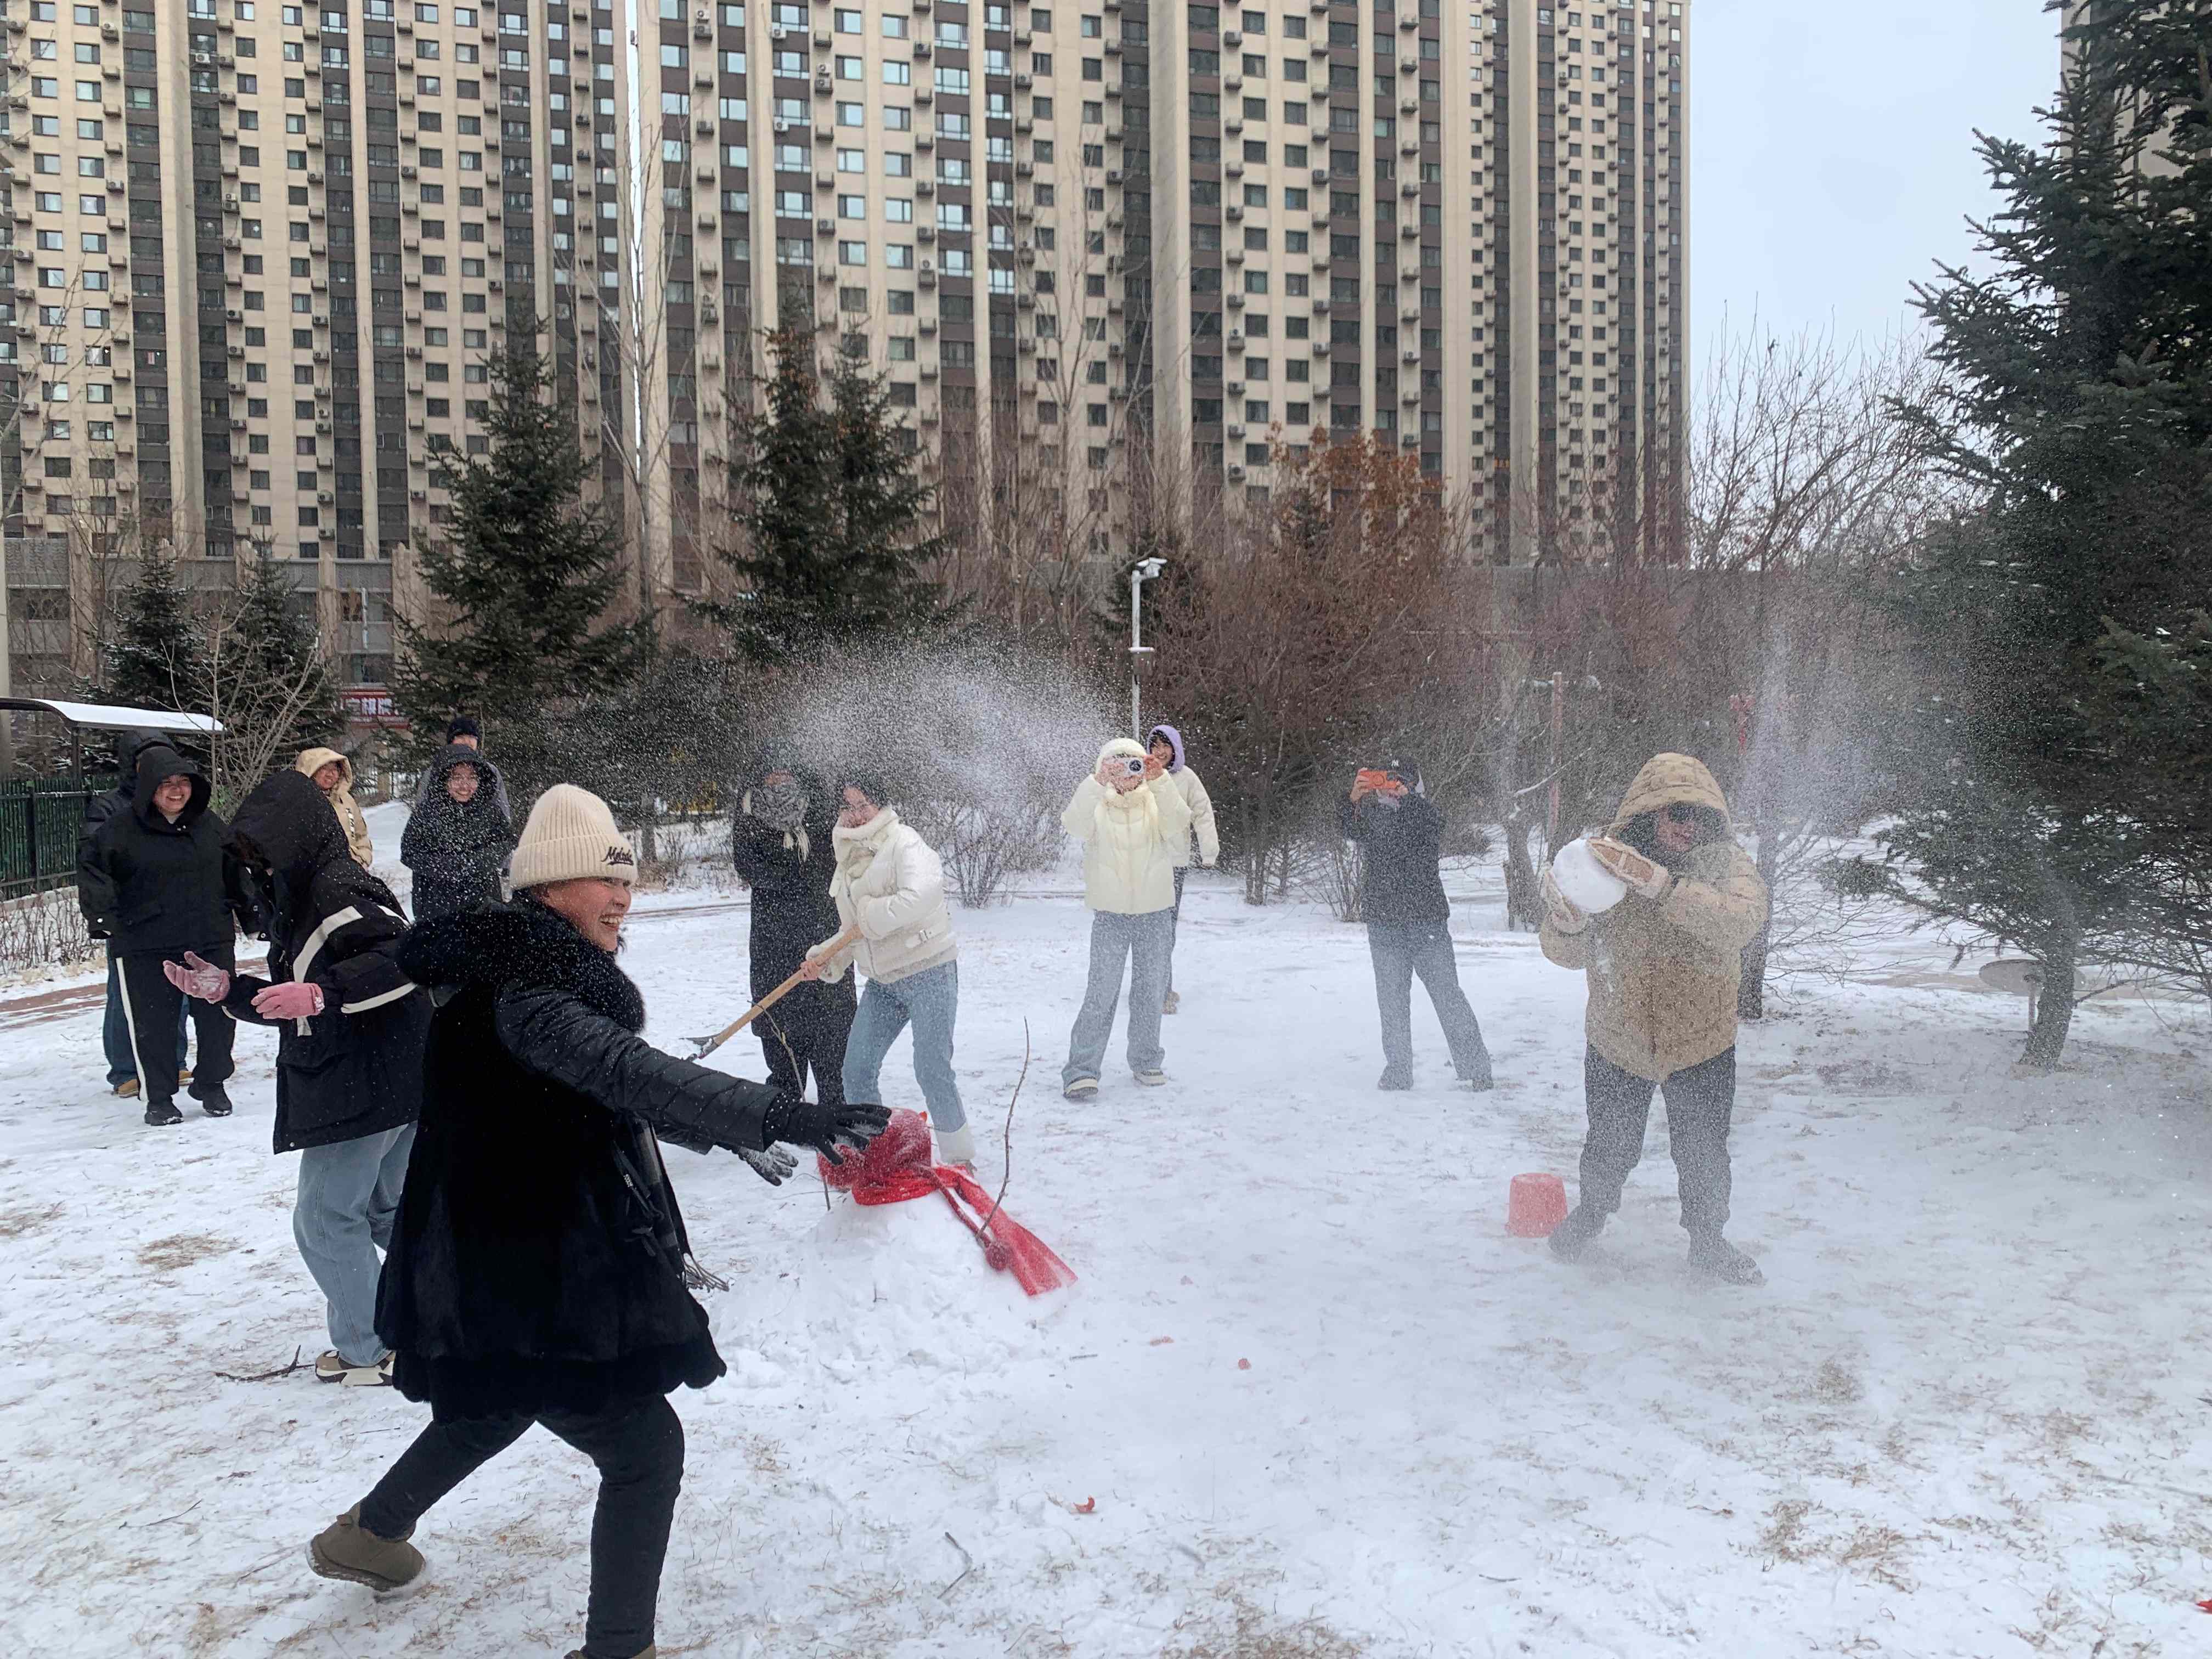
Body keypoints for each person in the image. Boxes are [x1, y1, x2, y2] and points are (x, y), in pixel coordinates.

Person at [310, 785, 888, 1659]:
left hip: (495, 1251)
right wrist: (781, 1114)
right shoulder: (529, 989)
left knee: (498, 1402)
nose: (623, 898)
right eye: (603, 881)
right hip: (528, 1261)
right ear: (548, 888)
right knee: (644, 1449)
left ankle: (369, 1535)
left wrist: (723, 1134)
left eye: (626, 882)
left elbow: (597, 1088)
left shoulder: (512, 968)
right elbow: (628, 1070)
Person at [165, 769, 429, 1386]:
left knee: (325, 1219)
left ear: (299, 836)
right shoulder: (306, 896)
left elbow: (405, 957)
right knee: (386, 1212)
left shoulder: (336, 888)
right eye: (250, 855)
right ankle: (457, 1306)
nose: (258, 867)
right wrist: (229, 991)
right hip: (389, 1077)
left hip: (366, 1082)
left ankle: (372, 1351)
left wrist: (322, 993)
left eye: (265, 851)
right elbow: (301, 1001)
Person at [1539, 753, 1769, 1286]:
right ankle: (1592, 1214)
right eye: (1677, 814)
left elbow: (1741, 922)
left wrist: (1662, 886)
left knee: (1703, 1151)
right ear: (1650, 813)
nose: (1690, 827)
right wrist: (1566, 923)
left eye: (1700, 816)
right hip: (1618, 1037)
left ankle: (1708, 1241)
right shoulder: (1606, 863)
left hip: (1701, 1042)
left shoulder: (1727, 865)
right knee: (1609, 1144)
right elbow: (1567, 954)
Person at [797, 775, 972, 1166]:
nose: (857, 815)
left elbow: (921, 895)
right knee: (856, 1069)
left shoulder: (904, 842)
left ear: (880, 805)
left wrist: (871, 915)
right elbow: (853, 930)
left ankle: (960, 1159)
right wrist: (827, 958)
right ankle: (876, 1153)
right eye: (848, 807)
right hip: (883, 983)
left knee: (931, 1068)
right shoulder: (847, 857)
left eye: (864, 805)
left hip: (929, 971)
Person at [75, 741, 244, 1126]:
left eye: (183, 782)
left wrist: (251, 912)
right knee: (153, 1026)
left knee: (219, 1017)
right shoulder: (119, 830)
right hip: (145, 941)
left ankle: (212, 1083)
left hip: (208, 936)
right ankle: (160, 1097)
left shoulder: (209, 826)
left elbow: (236, 870)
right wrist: (103, 918)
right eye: (166, 783)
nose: (176, 790)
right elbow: (94, 872)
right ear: (149, 787)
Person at [1340, 756, 1494, 1092]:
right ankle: (1398, 1072)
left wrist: (1408, 798)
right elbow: (1347, 828)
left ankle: (1477, 1069)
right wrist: (1353, 798)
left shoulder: (1425, 813)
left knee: (1448, 996)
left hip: (1427, 924)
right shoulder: (1373, 816)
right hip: (1384, 925)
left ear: (1414, 784)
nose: (1390, 787)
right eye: (1386, 779)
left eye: (1398, 780)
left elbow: (1430, 826)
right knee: (1391, 1002)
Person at [1058, 737, 1193, 1100]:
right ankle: (1082, 1071)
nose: (1127, 773)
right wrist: (1096, 782)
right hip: (1111, 916)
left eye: (1134, 765)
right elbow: (1073, 824)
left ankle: (1147, 1061)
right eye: (1118, 765)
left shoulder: (1156, 801)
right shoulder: (1097, 805)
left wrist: (1160, 781)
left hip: (1155, 913)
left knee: (1150, 992)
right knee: (1101, 994)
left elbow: (1179, 822)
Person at [730, 757, 855, 1116]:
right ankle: (787, 1113)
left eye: (787, 771)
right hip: (773, 938)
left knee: (832, 1025)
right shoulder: (749, 813)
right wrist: (791, 875)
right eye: (773, 773)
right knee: (780, 1024)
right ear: (762, 777)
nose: (780, 779)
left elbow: (836, 859)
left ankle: (837, 1111)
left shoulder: (821, 809)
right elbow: (749, 866)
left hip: (822, 927)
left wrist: (806, 876)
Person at [78, 727, 189, 1099]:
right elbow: (94, 863)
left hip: (176, 912)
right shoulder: (110, 808)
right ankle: (126, 1069)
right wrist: (103, 915)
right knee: (125, 993)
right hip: (130, 916)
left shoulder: (178, 804)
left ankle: (173, 1059)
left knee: (178, 989)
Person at [1146, 723, 1220, 1016]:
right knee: (1150, 930)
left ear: (1175, 749)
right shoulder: (1143, 775)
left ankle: (1161, 989)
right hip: (1144, 863)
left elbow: (1203, 812)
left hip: (1174, 865)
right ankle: (1155, 989)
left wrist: (1209, 850)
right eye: (1155, 746)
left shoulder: (1187, 778)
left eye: (1165, 746)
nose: (1159, 752)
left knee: (1166, 930)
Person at [400, 743, 514, 921]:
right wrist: (447, 866)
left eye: (472, 778)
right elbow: (410, 852)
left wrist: (478, 862)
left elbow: (505, 842)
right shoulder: (426, 813)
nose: (465, 786)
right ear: (444, 780)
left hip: (483, 902)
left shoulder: (489, 811)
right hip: (436, 904)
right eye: (457, 778)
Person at [409, 715, 512, 820]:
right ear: (451, 742)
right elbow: (421, 812)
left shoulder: (489, 771)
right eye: (461, 737)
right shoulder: (436, 771)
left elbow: (502, 810)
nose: (467, 742)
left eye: (472, 737)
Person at [295, 745, 376, 869]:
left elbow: (361, 835)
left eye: (335, 769)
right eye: (324, 768)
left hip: (351, 871)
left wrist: (362, 860)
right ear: (311, 771)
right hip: (316, 875)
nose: (331, 774)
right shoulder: (299, 802)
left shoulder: (346, 799)